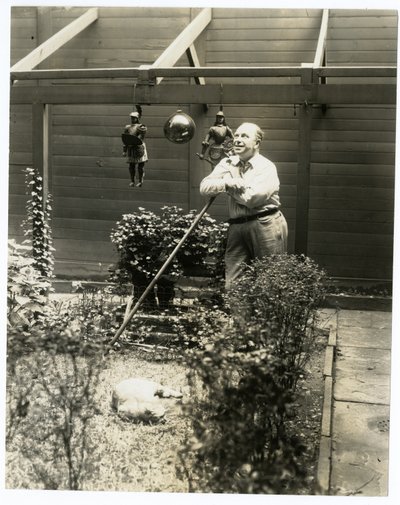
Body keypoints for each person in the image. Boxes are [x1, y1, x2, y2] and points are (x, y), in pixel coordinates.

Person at [200, 122, 288, 290]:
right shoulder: (228, 163)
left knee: (269, 281)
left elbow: (251, 199)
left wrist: (227, 187)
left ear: (257, 143)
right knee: (233, 285)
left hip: (265, 224)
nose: (238, 140)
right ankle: (238, 310)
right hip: (237, 226)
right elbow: (204, 187)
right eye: (237, 136)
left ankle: (268, 309)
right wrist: (228, 182)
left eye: (245, 136)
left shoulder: (266, 167)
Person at [122, 110, 148, 187]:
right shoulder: (128, 127)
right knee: (131, 166)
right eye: (131, 117)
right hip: (131, 148)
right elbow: (126, 139)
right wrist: (124, 150)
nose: (132, 119)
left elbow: (140, 138)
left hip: (139, 148)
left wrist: (135, 140)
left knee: (140, 166)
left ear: (137, 118)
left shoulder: (141, 127)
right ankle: (132, 181)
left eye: (134, 118)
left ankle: (140, 181)